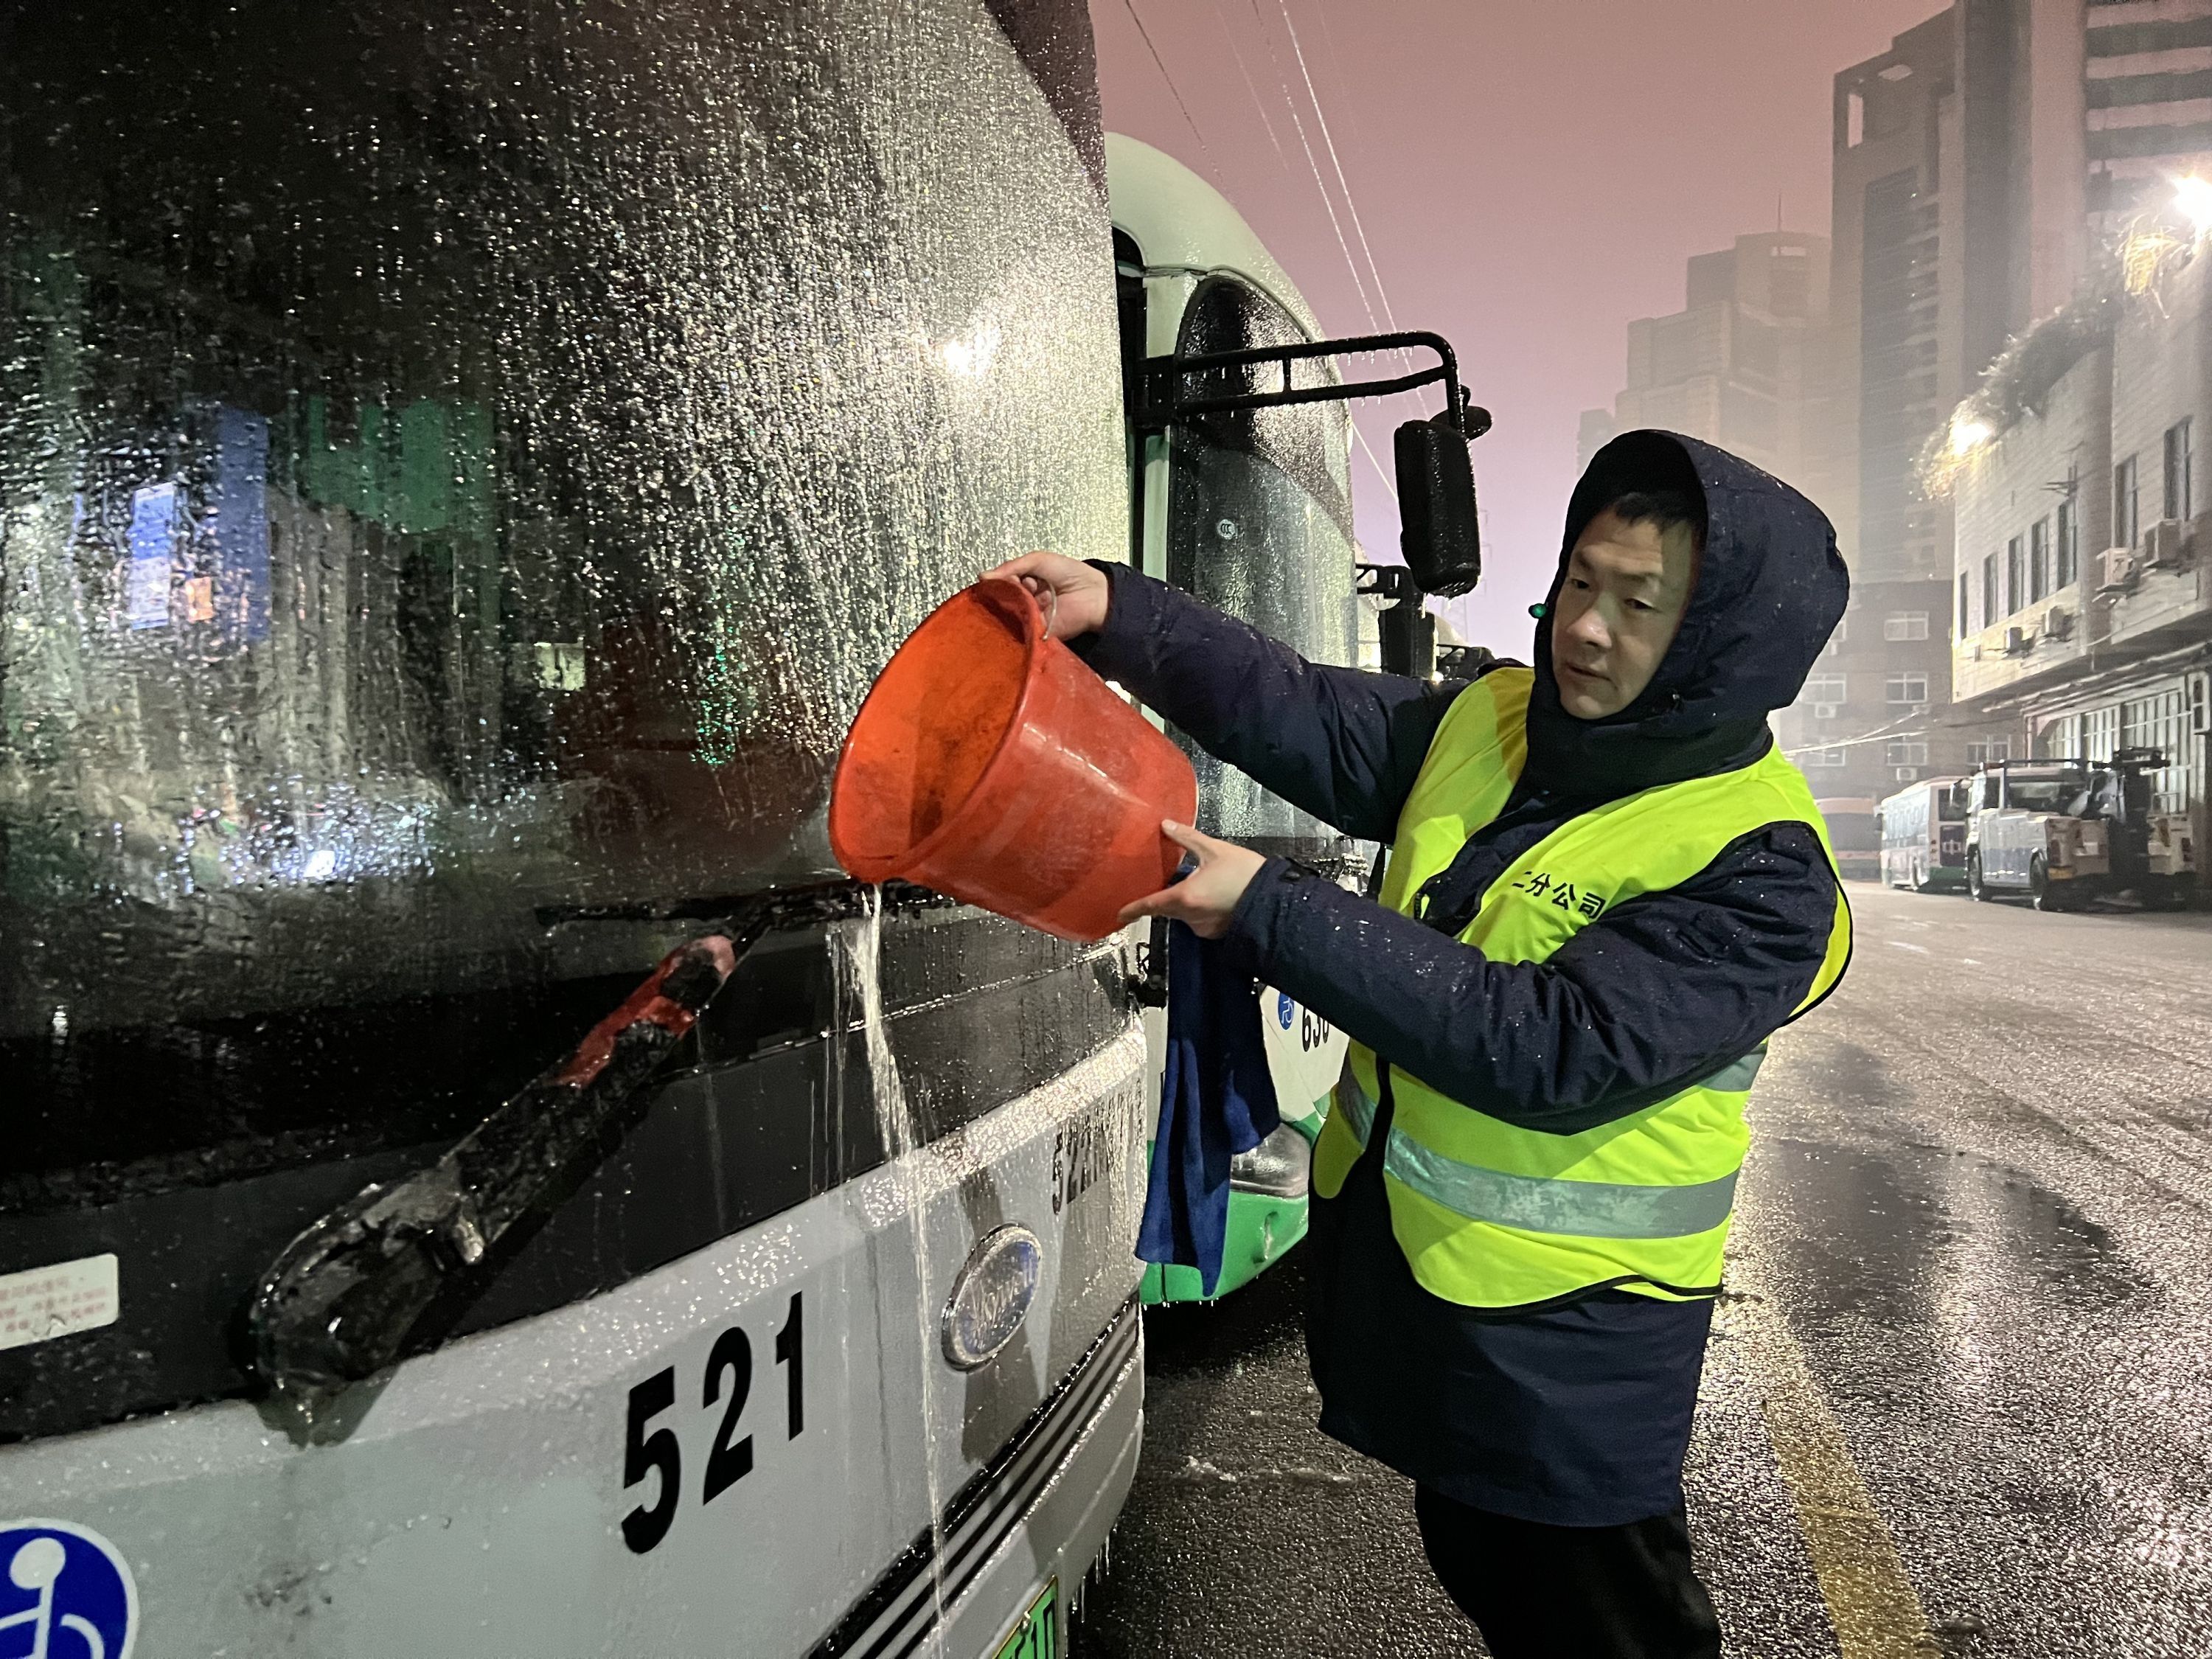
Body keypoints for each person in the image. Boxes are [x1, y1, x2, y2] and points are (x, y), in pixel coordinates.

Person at [990, 430, 1851, 1659]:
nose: (1587, 630)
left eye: (1639, 607)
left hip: (1572, 1350)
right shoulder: (1502, 719)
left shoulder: (1760, 867)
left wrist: (1266, 904)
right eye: (1584, 584)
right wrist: (1120, 609)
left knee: (1604, 1619)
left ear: (1718, 644)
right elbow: (1299, 710)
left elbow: (1543, 1043)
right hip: (1433, 1295)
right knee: (1488, 1564)